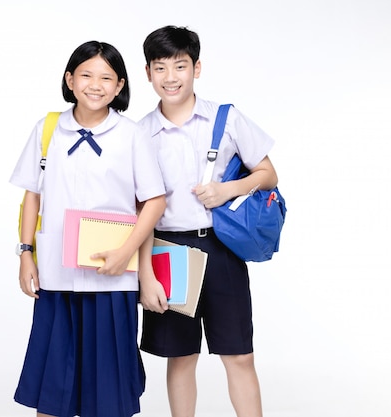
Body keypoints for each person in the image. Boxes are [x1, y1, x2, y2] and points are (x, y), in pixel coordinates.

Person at [10, 40, 166, 417]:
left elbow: (154, 201)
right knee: (52, 385)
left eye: (106, 78)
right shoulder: (48, 129)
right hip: (56, 276)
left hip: (112, 278)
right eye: (86, 75)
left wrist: (126, 253)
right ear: (70, 79)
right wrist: (25, 254)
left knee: (109, 390)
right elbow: (33, 196)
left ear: (120, 86)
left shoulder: (131, 135)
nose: (95, 85)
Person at [136, 25, 278, 417]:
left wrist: (227, 191)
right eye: (160, 68)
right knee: (180, 357)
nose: (170, 77)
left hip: (220, 249)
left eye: (179, 66)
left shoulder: (226, 118)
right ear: (147, 73)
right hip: (166, 250)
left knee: (239, 354)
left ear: (196, 68)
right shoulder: (139, 133)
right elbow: (136, 209)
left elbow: (268, 174)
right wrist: (145, 274)